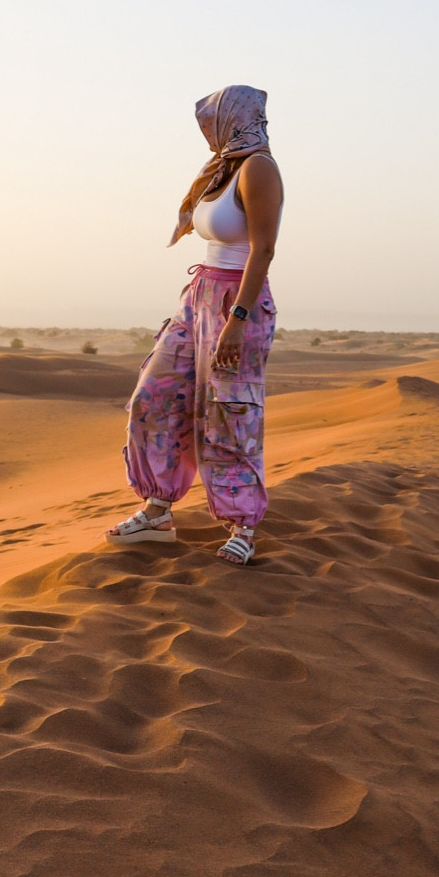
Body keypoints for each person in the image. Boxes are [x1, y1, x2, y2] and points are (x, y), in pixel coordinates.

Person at [108, 84, 283, 565]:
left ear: (233, 118)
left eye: (213, 121)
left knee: (229, 411)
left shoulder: (258, 169)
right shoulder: (222, 170)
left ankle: (243, 524)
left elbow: (263, 250)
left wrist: (238, 319)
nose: (207, 132)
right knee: (155, 395)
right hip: (200, 295)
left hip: (236, 300)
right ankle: (158, 508)